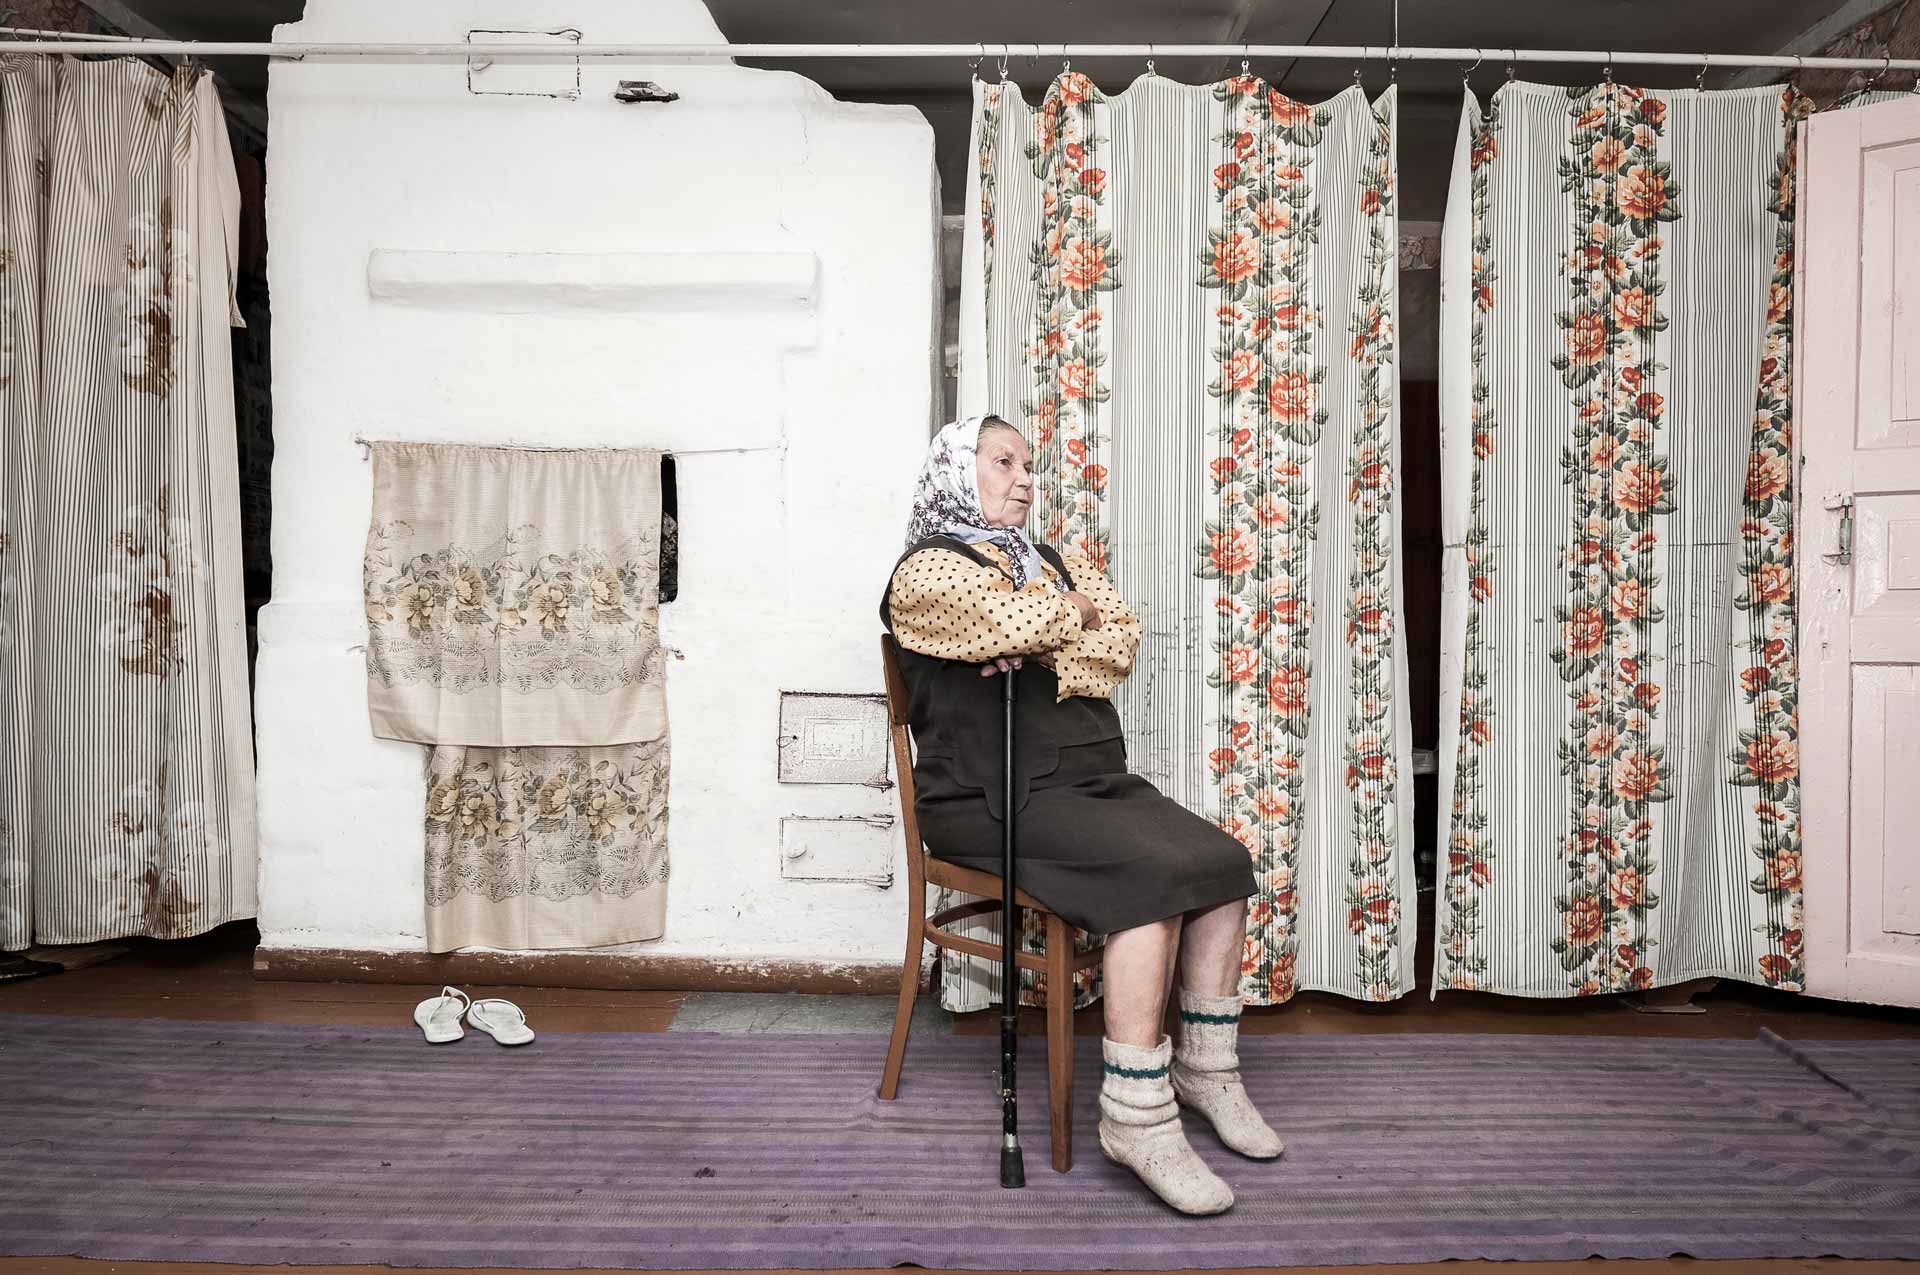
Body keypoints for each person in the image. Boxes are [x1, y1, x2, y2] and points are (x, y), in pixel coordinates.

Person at [881, 414, 1277, 1216]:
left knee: (1224, 863)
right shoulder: (925, 571)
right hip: (990, 795)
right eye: (1003, 461)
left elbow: (1119, 640)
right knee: (1149, 881)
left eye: (1029, 464)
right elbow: (1012, 623)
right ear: (958, 470)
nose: (1025, 478)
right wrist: (1060, 617)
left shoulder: (1051, 560)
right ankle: (1136, 1112)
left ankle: (1206, 1068)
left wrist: (1042, 629)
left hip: (1091, 780)